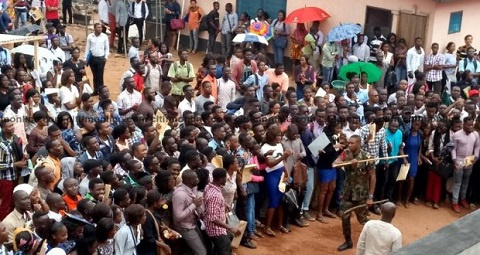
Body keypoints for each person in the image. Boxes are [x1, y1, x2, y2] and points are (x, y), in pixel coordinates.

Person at [334, 135, 376, 251]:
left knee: (363, 219)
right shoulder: (346, 153)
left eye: (352, 143)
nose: (349, 145)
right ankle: (348, 241)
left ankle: (374, 237)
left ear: (359, 143)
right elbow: (335, 163)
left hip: (361, 195)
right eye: (349, 143)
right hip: (347, 193)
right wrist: (347, 163)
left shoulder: (367, 157)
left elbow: (372, 177)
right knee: (345, 217)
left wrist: (370, 197)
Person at [261, 126, 293, 237]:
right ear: (272, 137)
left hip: (280, 173)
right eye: (278, 135)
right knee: (274, 201)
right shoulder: (265, 148)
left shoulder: (279, 145)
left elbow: (283, 161)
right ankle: (267, 227)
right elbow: (269, 163)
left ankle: (280, 225)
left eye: (280, 135)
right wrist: (284, 156)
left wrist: (287, 173)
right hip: (271, 175)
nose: (280, 137)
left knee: (281, 201)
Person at [204, 168, 241, 255]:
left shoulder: (209, 186)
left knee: (219, 248)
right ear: (221, 179)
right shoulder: (215, 195)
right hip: (216, 230)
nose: (226, 179)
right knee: (224, 249)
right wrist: (230, 227)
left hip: (216, 228)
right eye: (225, 177)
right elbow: (213, 218)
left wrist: (224, 204)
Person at [172, 170, 207, 255]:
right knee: (201, 252)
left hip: (193, 223)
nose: (198, 179)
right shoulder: (180, 195)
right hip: (185, 227)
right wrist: (194, 205)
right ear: (191, 181)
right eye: (196, 178)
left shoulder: (191, 188)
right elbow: (178, 216)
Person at [451, 117, 480, 213]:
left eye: (472, 125)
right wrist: (454, 160)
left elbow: (477, 146)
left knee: (466, 182)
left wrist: (475, 157)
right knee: (457, 182)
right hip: (459, 160)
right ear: (463, 125)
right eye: (468, 125)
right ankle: (455, 202)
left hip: (470, 160)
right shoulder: (456, 135)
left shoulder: (475, 134)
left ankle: (462, 199)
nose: (471, 127)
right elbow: (453, 149)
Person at [84, 23, 109, 94]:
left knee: (100, 75)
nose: (100, 29)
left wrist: (106, 57)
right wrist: (85, 58)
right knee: (94, 75)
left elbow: (107, 48)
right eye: (98, 27)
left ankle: (101, 91)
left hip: (101, 59)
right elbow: (87, 48)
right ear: (94, 28)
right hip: (92, 58)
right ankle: (95, 90)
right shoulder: (90, 36)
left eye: (100, 27)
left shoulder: (104, 36)